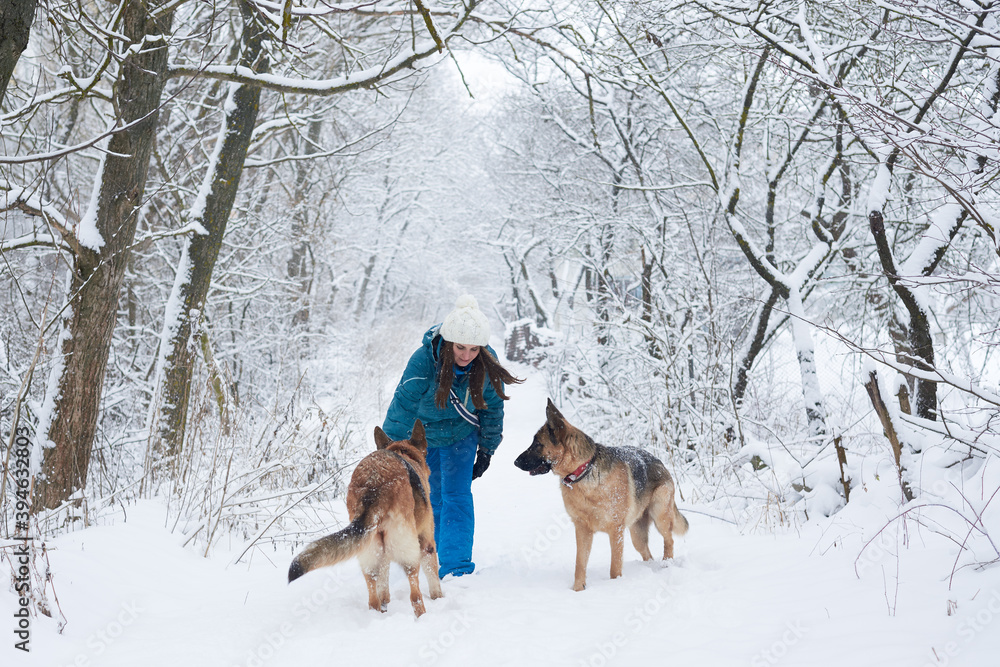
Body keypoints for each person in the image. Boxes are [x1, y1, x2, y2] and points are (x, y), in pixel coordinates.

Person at [382, 294, 523, 577]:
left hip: (461, 435)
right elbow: (402, 407)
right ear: (448, 342)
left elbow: (492, 408)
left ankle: (456, 568)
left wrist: (487, 449)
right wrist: (389, 454)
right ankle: (430, 558)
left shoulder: (486, 361)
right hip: (424, 438)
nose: (466, 355)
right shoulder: (423, 362)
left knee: (456, 496)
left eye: (473, 349)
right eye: (460, 347)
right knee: (431, 498)